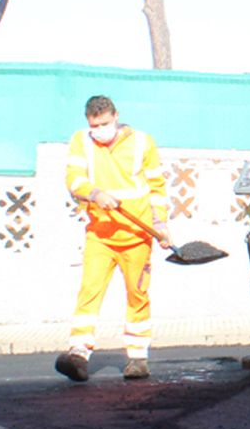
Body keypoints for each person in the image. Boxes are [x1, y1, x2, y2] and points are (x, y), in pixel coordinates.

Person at [57, 95, 170, 382]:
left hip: (136, 234)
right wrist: (95, 194)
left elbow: (157, 188)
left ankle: (137, 357)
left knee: (138, 294)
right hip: (100, 233)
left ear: (116, 117)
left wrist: (161, 225)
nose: (100, 131)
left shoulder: (143, 142)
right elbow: (73, 178)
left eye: (105, 123)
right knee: (89, 292)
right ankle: (79, 354)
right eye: (95, 125)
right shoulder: (81, 141)